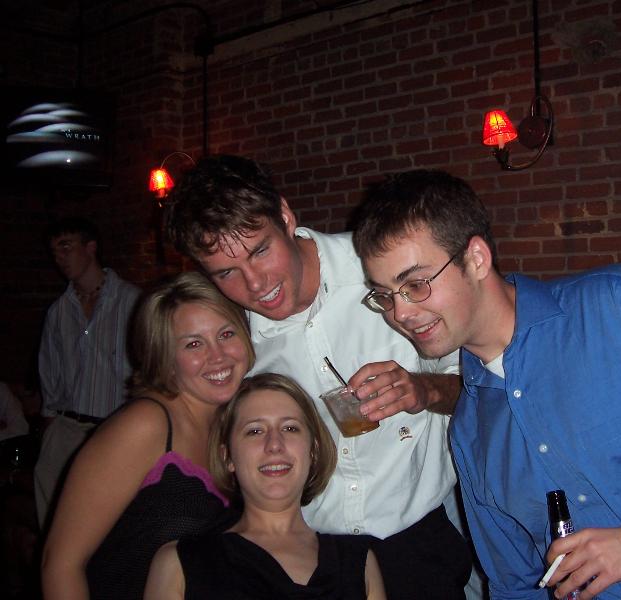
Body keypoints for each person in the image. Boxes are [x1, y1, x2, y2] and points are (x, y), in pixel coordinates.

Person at [351, 169, 621, 599]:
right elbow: (515, 585)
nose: (400, 313)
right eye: (385, 295)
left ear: (476, 258)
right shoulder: (470, 430)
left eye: (416, 284)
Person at [165, 155, 478, 600]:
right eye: (226, 273)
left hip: (417, 547)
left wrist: (424, 389)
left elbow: (477, 385)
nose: (255, 284)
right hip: (306, 561)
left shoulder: (382, 267)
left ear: (285, 216)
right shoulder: (232, 338)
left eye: (260, 251)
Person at [40, 271, 254, 600]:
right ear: (165, 357)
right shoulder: (145, 425)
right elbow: (61, 566)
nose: (218, 356)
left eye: (226, 334)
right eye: (194, 344)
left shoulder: (231, 424)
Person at [145, 372, 386, 599]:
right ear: (228, 456)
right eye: (255, 431)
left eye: (290, 428)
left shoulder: (359, 563)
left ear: (313, 451)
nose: (274, 444)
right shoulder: (181, 563)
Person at [34, 217, 141, 528]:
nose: (59, 258)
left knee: (110, 526)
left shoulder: (132, 302)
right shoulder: (58, 311)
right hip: (66, 428)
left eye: (66, 247)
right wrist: (50, 426)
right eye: (54, 252)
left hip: (113, 430)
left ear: (90, 247)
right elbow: (49, 371)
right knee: (54, 522)